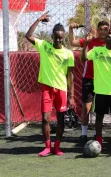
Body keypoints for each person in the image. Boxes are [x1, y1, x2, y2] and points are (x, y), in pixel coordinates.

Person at [25, 12, 75, 156]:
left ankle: (57, 147)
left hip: (61, 90)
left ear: (63, 37)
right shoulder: (44, 46)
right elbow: (28, 36)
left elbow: (70, 75)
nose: (58, 39)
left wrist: (71, 96)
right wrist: (38, 20)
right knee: (45, 118)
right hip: (47, 89)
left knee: (60, 120)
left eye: (61, 37)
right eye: (56, 36)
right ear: (52, 36)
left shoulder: (68, 54)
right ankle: (47, 146)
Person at [81, 27, 111, 154]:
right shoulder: (96, 50)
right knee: (99, 119)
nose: (110, 36)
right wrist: (86, 44)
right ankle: (99, 144)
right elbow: (84, 58)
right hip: (100, 91)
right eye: (109, 34)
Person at [69, 21, 109, 143]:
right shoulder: (90, 41)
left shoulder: (110, 43)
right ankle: (84, 134)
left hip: (103, 81)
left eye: (105, 29)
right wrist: (70, 29)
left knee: (100, 110)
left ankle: (98, 134)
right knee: (86, 108)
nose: (103, 31)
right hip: (89, 79)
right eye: (101, 29)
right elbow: (72, 42)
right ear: (97, 30)